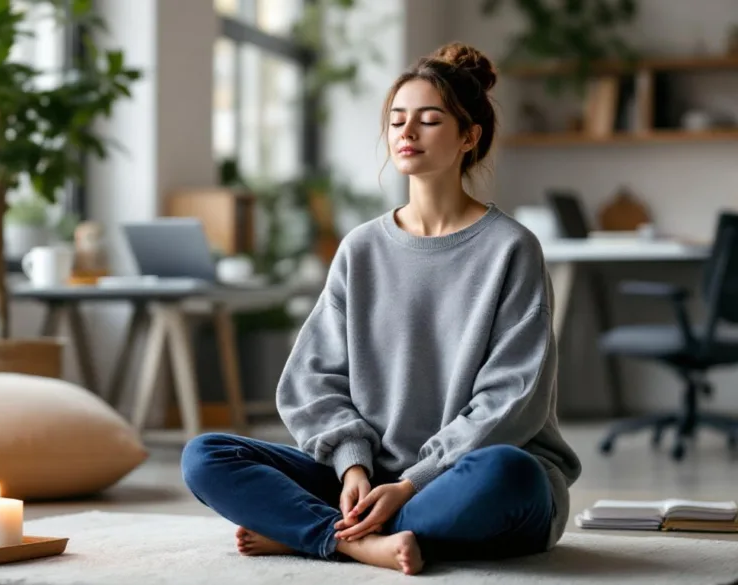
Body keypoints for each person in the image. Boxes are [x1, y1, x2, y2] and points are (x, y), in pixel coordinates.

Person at [180, 42, 582, 576]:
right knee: (206, 455)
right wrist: (352, 468)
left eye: (429, 120)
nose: (406, 133)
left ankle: (310, 532)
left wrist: (411, 483)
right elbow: (312, 379)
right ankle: (352, 540)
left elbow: (512, 399)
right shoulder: (361, 248)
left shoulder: (512, 248)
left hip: (465, 478)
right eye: (397, 121)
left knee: (510, 473)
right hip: (367, 478)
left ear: (469, 136)